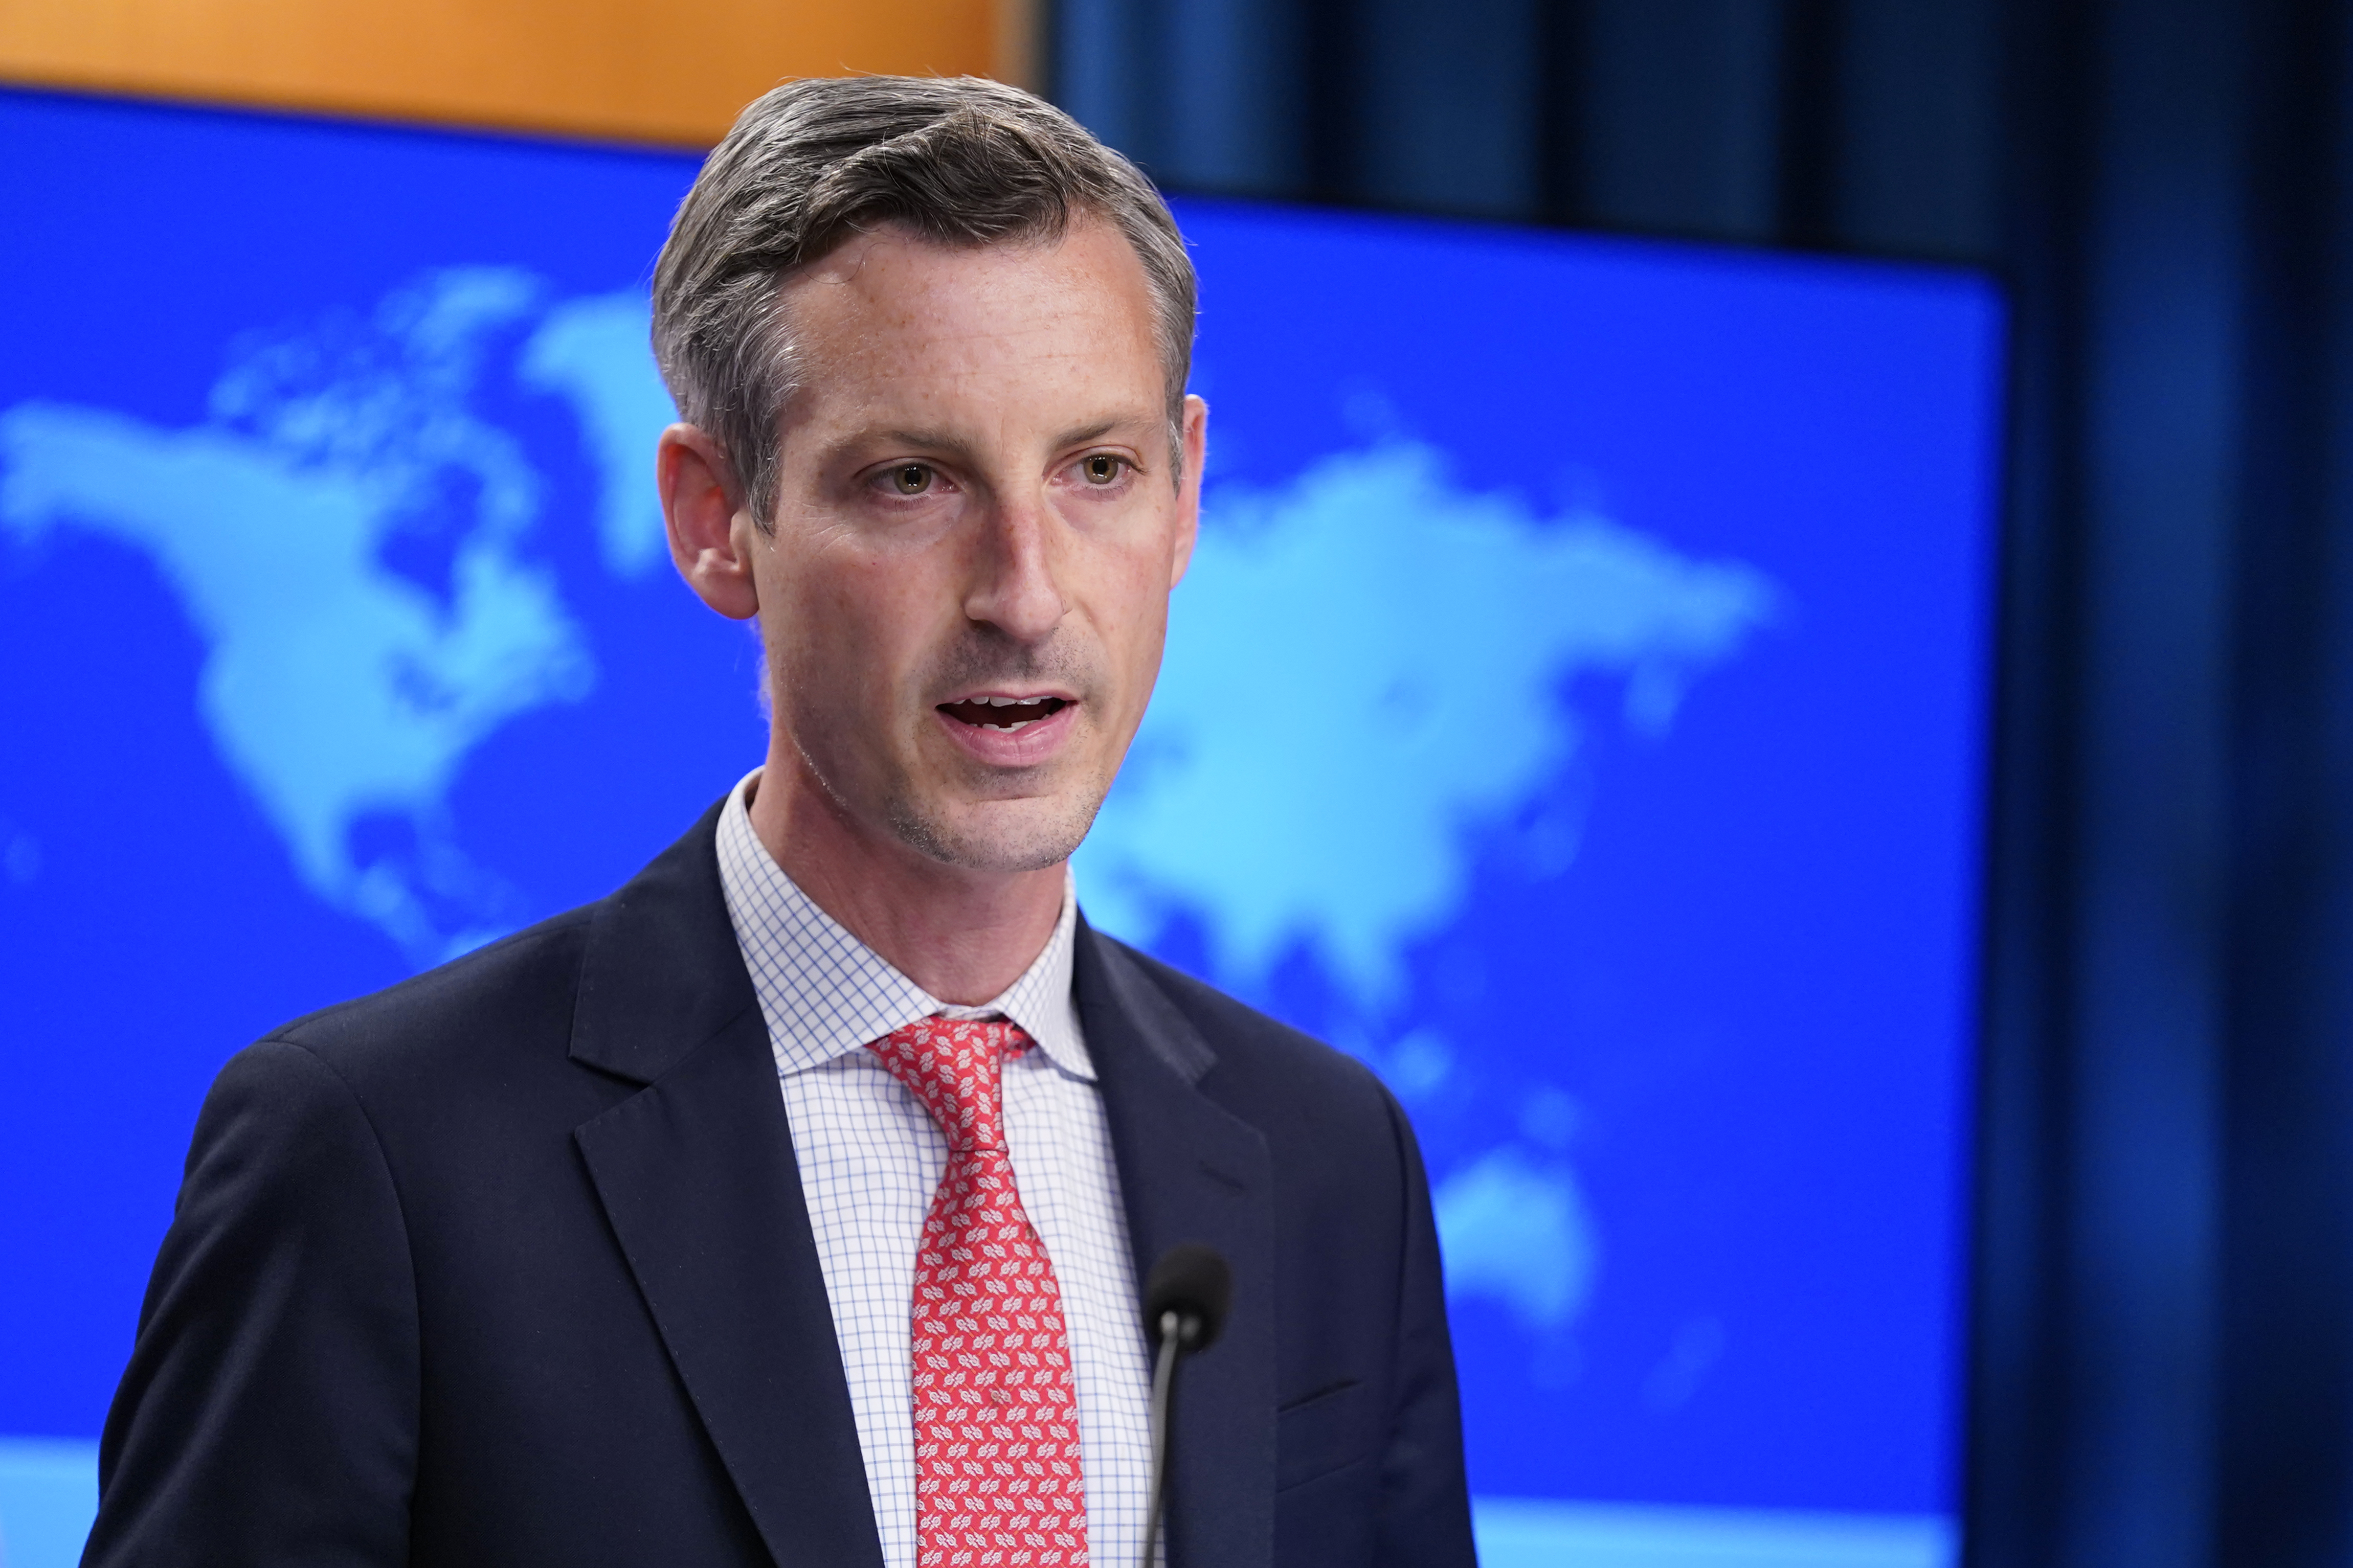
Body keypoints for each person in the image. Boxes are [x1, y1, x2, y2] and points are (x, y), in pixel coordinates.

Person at [82, 76, 1474, 1568]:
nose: (1024, 592)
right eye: (911, 480)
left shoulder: (1327, 1155)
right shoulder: (376, 1153)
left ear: (1186, 489)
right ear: (713, 518)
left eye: (1097, 470)